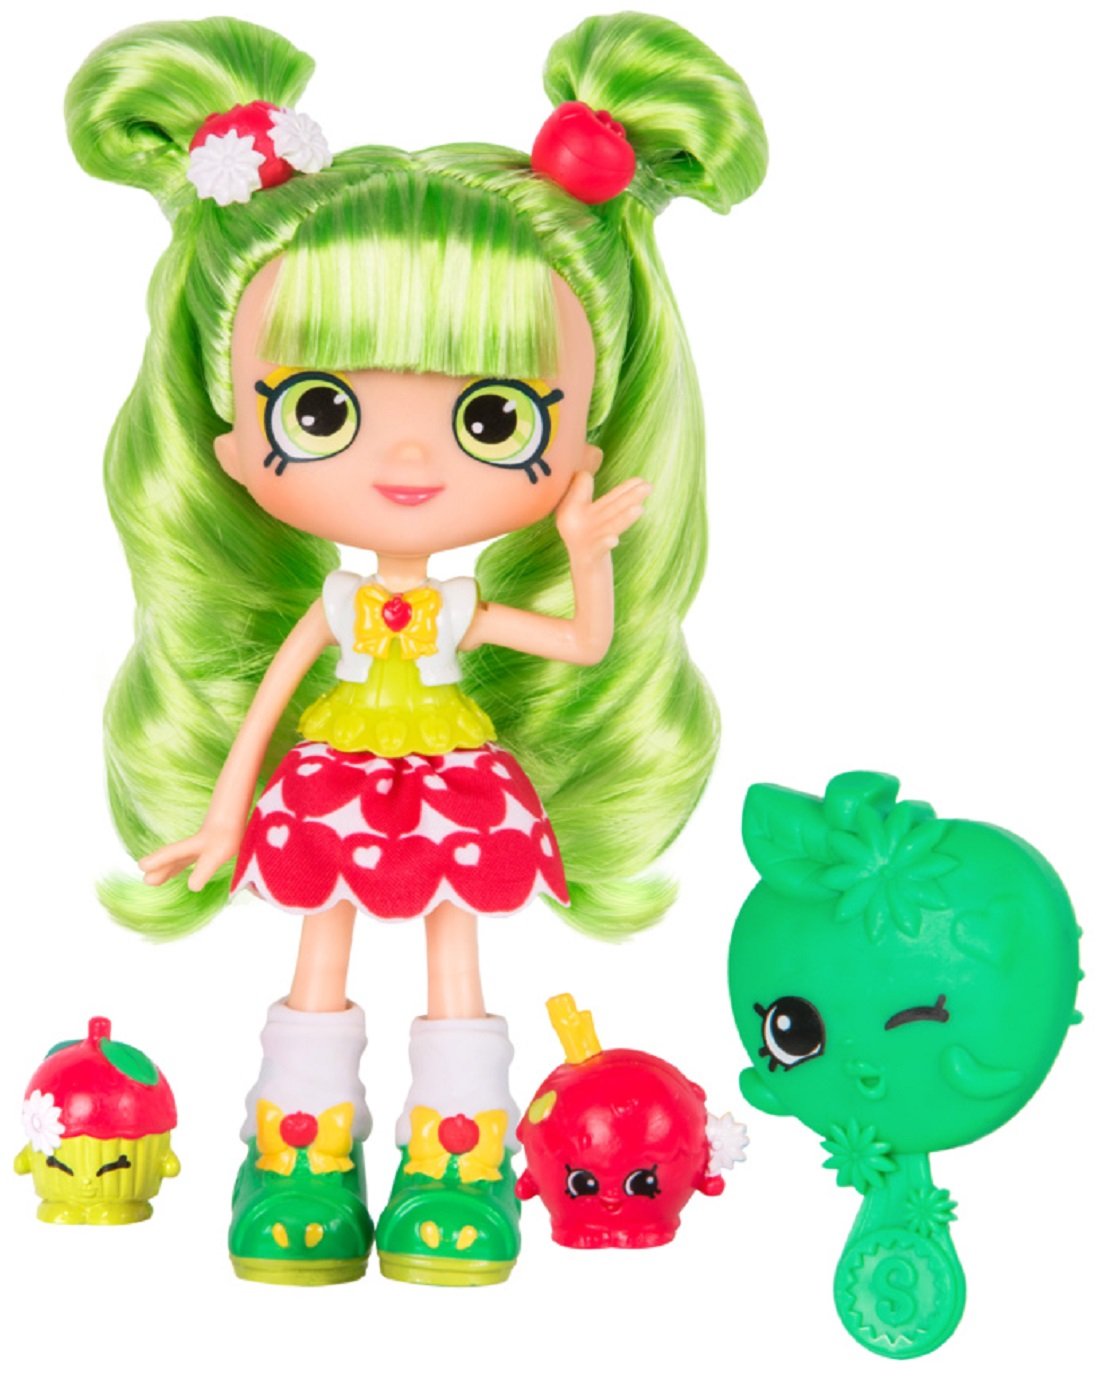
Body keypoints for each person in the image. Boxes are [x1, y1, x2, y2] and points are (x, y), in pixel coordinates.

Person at [66, 11, 766, 1285]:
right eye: (317, 409)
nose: (403, 457)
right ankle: (298, 1162)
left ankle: (457, 1166)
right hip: (334, 776)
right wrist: (224, 817)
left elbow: (581, 640)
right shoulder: (341, 603)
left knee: (455, 956)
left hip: (452, 782)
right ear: (231, 447)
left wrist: (587, 548)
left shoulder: (451, 609)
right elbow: (273, 699)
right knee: (318, 948)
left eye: (490, 418)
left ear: (581, 437)